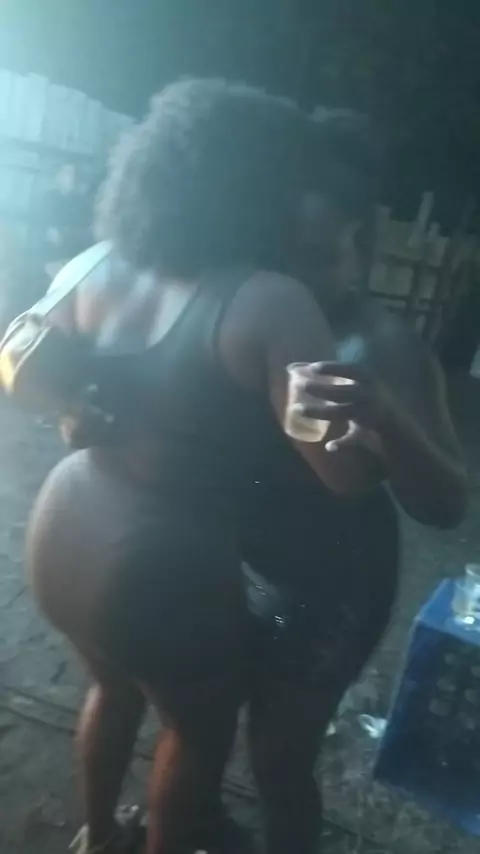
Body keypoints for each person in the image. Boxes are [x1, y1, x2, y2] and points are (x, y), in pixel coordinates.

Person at [12, 81, 385, 854]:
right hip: (156, 562)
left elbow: (23, 363)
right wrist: (378, 426)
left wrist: (78, 406)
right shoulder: (271, 302)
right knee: (195, 734)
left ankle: (98, 835)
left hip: (64, 527)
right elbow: (340, 474)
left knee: (111, 689)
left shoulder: (97, 261)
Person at [235, 109, 467, 854]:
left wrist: (387, 418)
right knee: (209, 727)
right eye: (279, 257)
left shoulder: (386, 347)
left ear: (358, 252)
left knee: (278, 762)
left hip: (330, 589)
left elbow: (446, 503)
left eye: (317, 257)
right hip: (241, 562)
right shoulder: (248, 310)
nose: (293, 281)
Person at [37, 161, 91, 284]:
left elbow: (87, 232)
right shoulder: (47, 199)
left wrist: (69, 234)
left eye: (75, 175)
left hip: (75, 258)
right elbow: (50, 233)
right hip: (49, 258)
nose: (72, 179)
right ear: (58, 177)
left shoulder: (83, 203)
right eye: (67, 174)